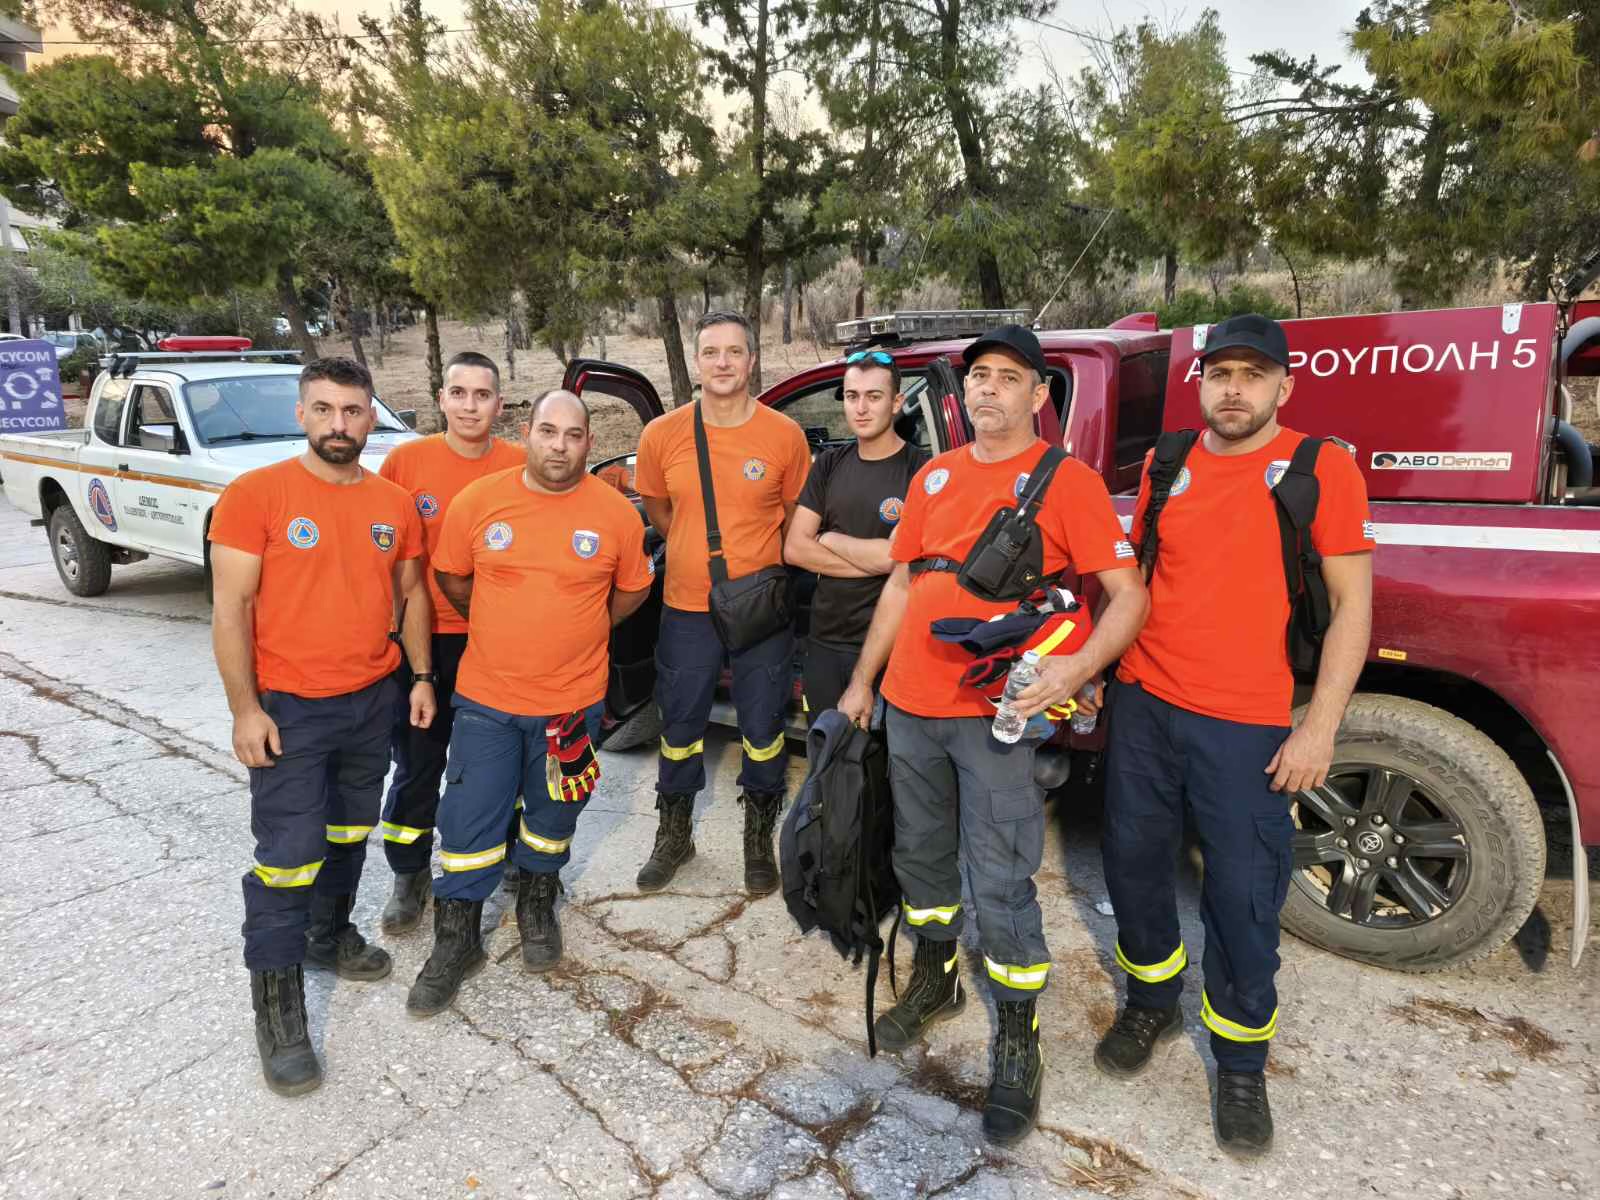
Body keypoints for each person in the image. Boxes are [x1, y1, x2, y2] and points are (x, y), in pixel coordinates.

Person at [838, 325, 1149, 1145]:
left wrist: (1077, 669)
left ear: (1040, 396)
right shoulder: (934, 474)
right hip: (911, 707)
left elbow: (1128, 595)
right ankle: (937, 977)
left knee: (1003, 874)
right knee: (921, 859)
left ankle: (1017, 1030)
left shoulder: (1069, 481)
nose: (988, 388)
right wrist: (864, 680)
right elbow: (902, 585)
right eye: (979, 375)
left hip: (995, 716)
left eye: (1009, 377)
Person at [1095, 313, 1374, 1155]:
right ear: (1203, 382)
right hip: (1144, 706)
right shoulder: (1167, 461)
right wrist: (1094, 670)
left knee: (1244, 899)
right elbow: (1138, 581)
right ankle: (1151, 1002)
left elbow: (1353, 607)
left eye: (1253, 375)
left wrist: (1319, 727)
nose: (1235, 389)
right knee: (1134, 868)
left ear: (1284, 385)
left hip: (1248, 723)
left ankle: (1242, 1062)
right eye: (1221, 374)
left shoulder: (1320, 468)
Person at [209, 356, 435, 1097]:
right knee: (288, 857)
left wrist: (421, 676)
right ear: (302, 413)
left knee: (347, 832)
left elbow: (411, 593)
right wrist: (246, 709)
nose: (340, 424)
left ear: (371, 417)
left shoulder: (392, 503)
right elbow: (231, 610)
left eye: (353, 410)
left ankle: (327, 933)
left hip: (371, 699)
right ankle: (280, 1019)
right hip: (290, 708)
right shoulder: (256, 495)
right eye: (325, 409)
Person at [406, 389, 653, 1015]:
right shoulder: (478, 502)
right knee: (468, 820)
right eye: (548, 431)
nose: (559, 446)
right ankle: (456, 941)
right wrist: (500, 623)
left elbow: (630, 592)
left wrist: (583, 628)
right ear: (528, 434)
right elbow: (452, 578)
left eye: (573, 435)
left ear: (589, 443)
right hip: (487, 699)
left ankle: (537, 905)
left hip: (573, 706)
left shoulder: (616, 514)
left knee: (553, 816)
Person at [631, 310, 811, 897]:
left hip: (761, 610)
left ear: (751, 360)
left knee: (763, 727)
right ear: (696, 363)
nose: (723, 363)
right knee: (680, 726)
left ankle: (758, 841)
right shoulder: (662, 435)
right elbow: (660, 512)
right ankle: (674, 835)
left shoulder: (785, 436)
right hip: (686, 607)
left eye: (734, 352)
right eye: (711, 352)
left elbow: (795, 520)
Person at [376, 351, 523, 933]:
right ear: (441, 398)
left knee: (501, 761)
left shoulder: (519, 464)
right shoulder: (405, 463)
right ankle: (409, 873)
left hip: (499, 641)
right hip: (426, 642)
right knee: (418, 762)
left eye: (482, 395)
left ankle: (510, 853)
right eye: (458, 393)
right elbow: (384, 556)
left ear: (499, 405)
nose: (469, 406)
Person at [783, 350, 928, 722]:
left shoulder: (921, 471)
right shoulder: (829, 464)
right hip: (824, 641)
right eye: (852, 396)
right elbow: (795, 548)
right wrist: (878, 560)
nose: (861, 408)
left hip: (890, 646)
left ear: (896, 402)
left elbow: (899, 559)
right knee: (826, 748)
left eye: (873, 397)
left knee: (882, 755)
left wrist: (829, 540)